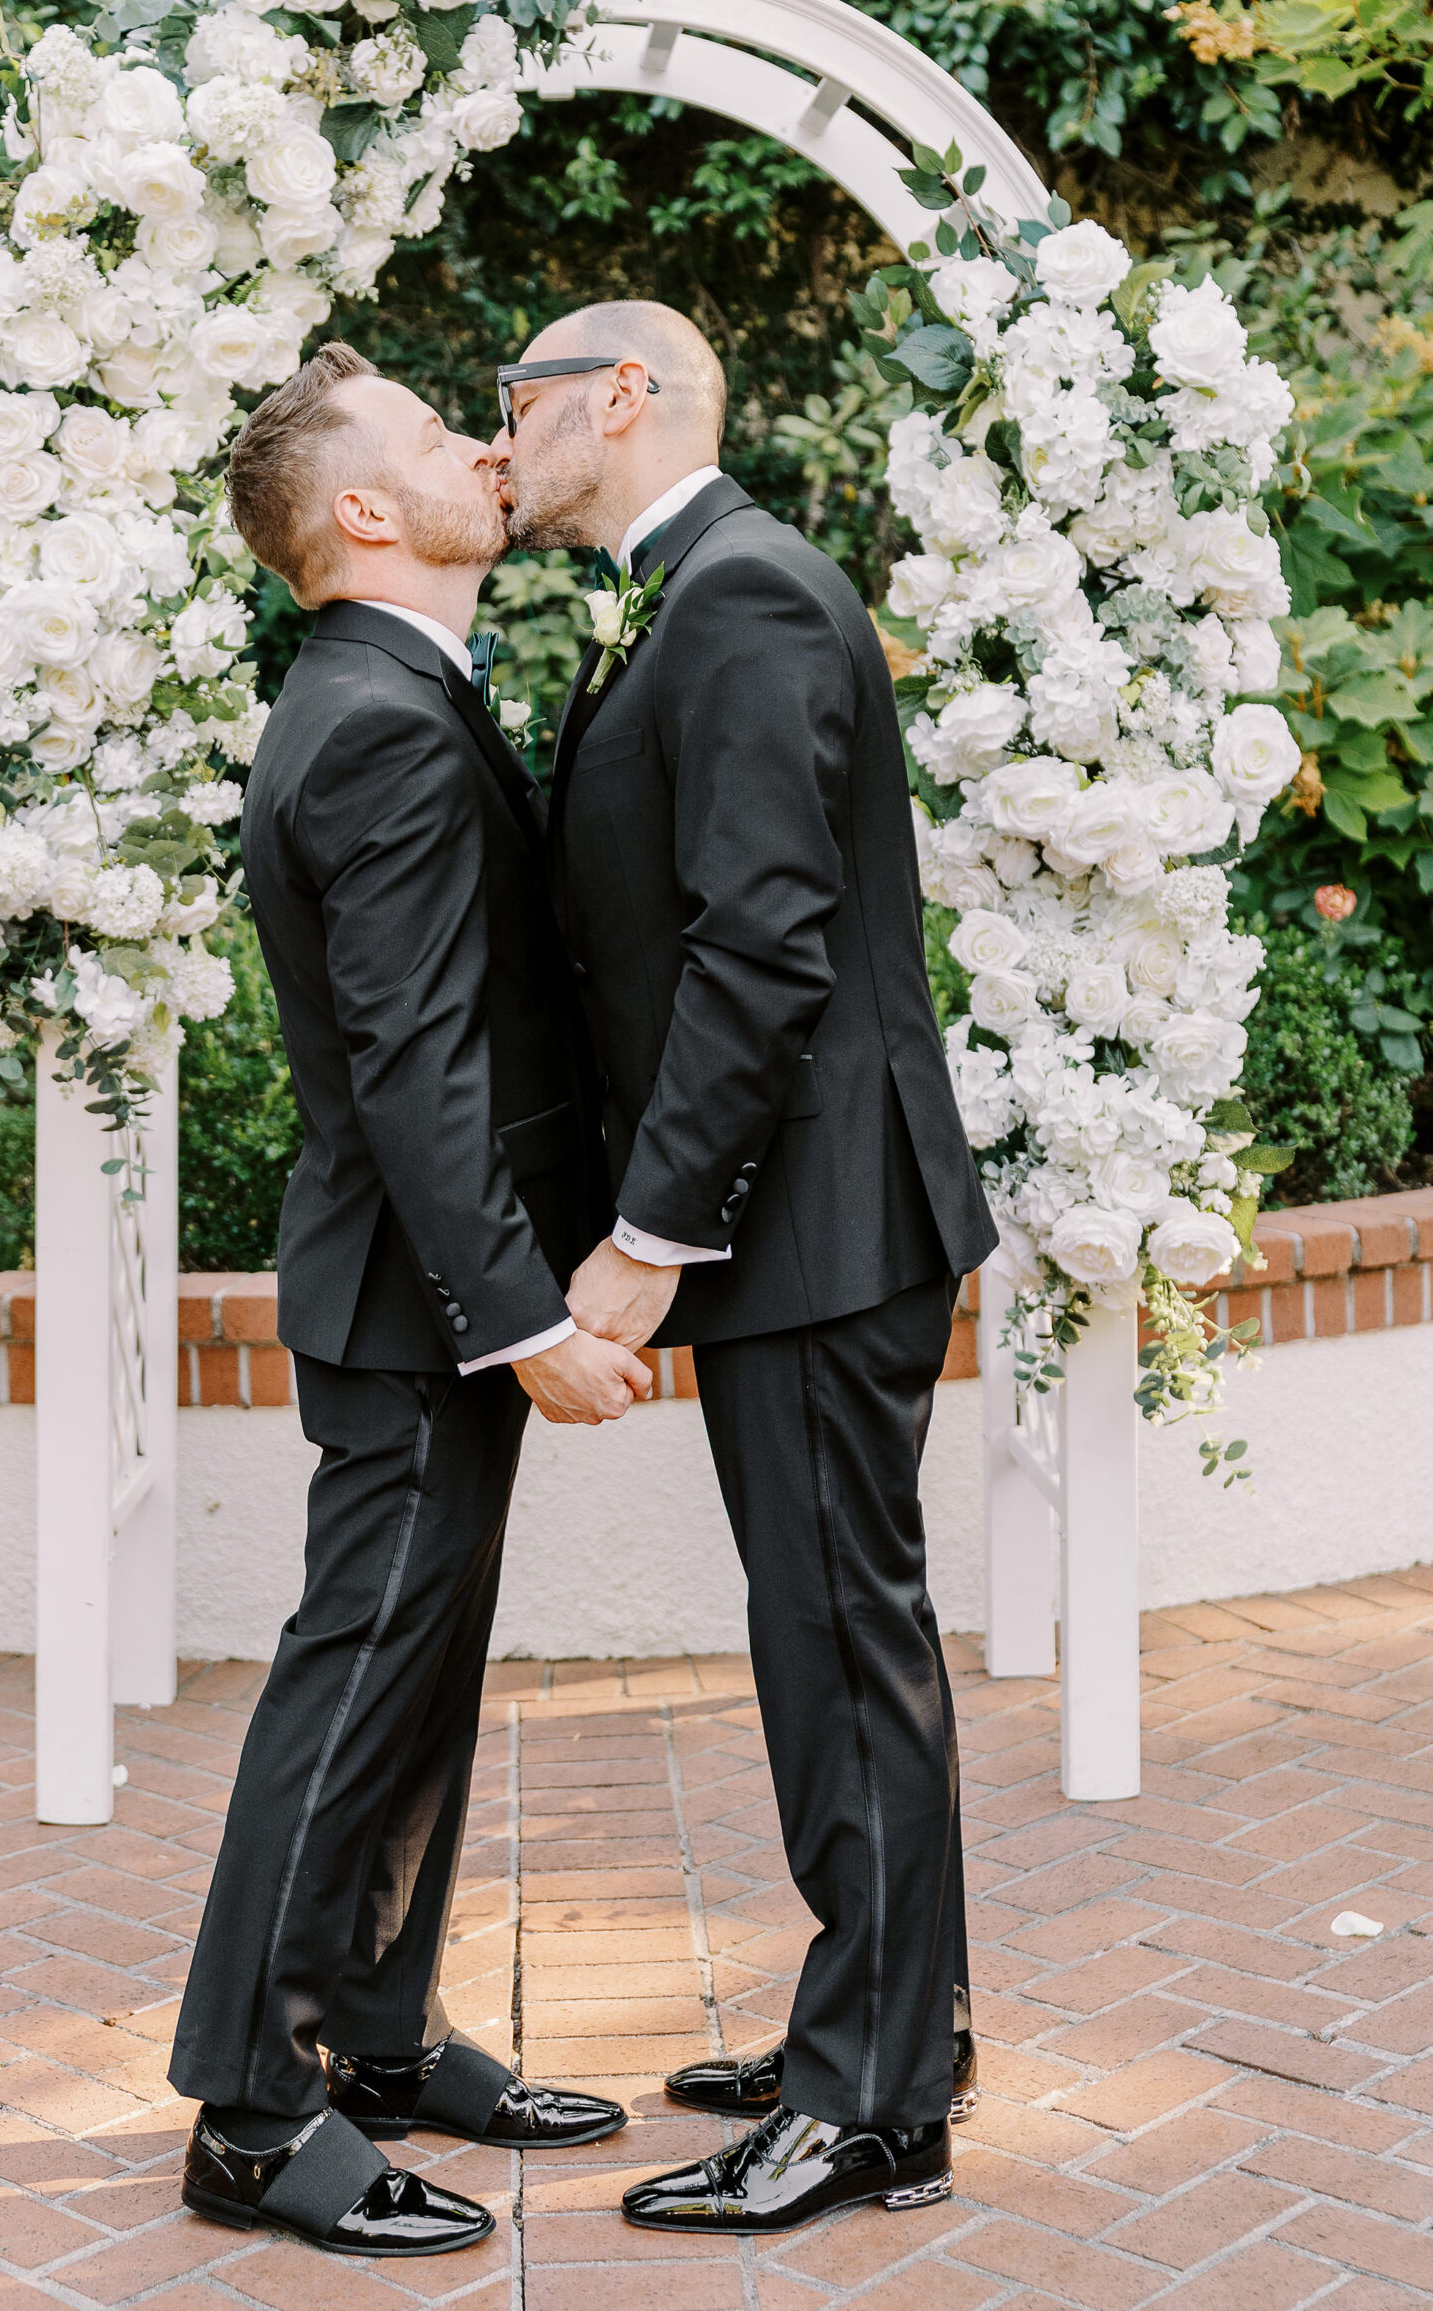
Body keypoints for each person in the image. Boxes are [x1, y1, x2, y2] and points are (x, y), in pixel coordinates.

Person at [492, 301, 999, 2236]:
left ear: (621, 396)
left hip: (814, 1222)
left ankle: (871, 2106)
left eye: (517, 402)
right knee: (848, 1630)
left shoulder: (749, 596)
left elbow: (767, 946)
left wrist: (643, 1239)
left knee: (839, 1647)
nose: (502, 439)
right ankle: (898, 2021)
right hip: (800, 1225)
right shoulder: (689, 592)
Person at [171, 343, 646, 2263]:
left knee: (422, 1679)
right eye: (437, 435)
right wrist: (521, 1315)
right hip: (417, 1295)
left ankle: (372, 2031)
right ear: (362, 512)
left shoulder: (395, 690)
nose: (480, 441)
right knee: (357, 1678)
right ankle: (248, 2110)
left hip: (429, 1290)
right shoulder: (369, 719)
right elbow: (412, 1062)